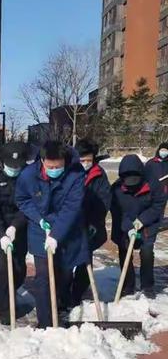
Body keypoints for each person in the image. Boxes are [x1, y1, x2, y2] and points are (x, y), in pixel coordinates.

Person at [15, 141, 89, 328]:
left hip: (67, 229)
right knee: (43, 276)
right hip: (40, 229)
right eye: (50, 167)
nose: (54, 170)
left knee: (63, 272)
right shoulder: (28, 175)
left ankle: (60, 305)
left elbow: (71, 207)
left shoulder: (76, 173)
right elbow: (23, 200)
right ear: (42, 161)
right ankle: (46, 322)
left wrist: (56, 235)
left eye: (58, 167)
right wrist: (39, 219)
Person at [0, 142, 29, 325]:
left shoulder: (27, 174)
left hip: (19, 227)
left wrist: (15, 227)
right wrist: (1, 234)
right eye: (11, 166)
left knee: (18, 269)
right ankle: (5, 308)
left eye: (18, 166)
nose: (14, 169)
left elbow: (27, 205)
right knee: (1, 269)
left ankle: (10, 290)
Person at [111, 154, 166, 299]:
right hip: (124, 227)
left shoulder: (153, 184)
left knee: (146, 253)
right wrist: (128, 226)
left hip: (147, 226)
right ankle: (127, 286)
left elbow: (158, 205)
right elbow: (116, 212)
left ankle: (147, 286)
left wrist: (142, 220)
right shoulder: (116, 189)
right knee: (125, 253)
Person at [71, 139, 111, 306]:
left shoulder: (99, 174)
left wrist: (94, 222)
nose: (86, 163)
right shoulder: (69, 172)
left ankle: (77, 294)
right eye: (82, 160)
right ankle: (63, 294)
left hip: (90, 225)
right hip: (71, 223)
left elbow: (104, 200)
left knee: (84, 259)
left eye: (89, 160)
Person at [145, 142, 168, 207]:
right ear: (158, 150)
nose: (164, 152)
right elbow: (144, 177)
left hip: (164, 193)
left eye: (166, 151)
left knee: (160, 211)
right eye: (162, 150)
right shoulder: (151, 163)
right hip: (152, 192)